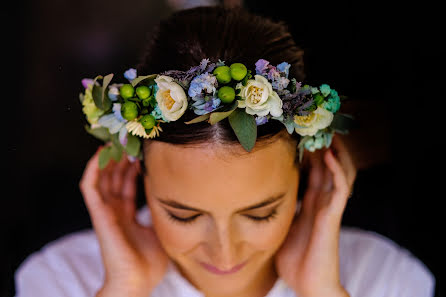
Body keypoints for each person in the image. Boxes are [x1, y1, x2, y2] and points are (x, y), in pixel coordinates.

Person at [14, 5, 435, 297]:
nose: (225, 253)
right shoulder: (60, 279)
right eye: (183, 214)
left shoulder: (387, 278)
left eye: (260, 213)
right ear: (135, 168)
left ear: (311, 171)